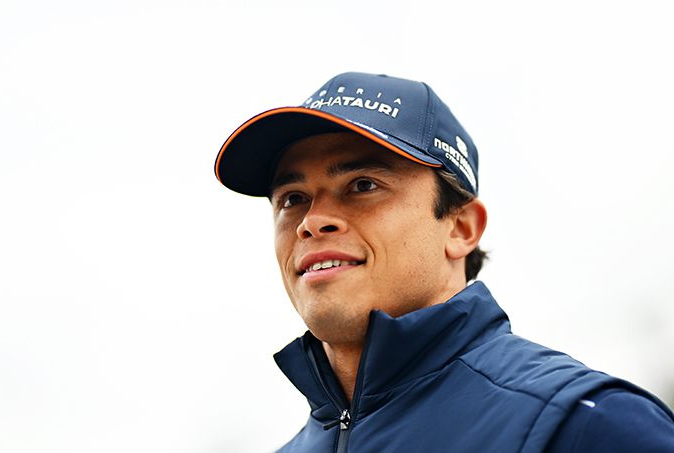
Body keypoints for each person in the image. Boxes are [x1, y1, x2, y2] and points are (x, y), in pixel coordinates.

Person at [214, 72, 674, 452]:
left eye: (363, 185)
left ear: (461, 228)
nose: (311, 221)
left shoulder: (587, 425)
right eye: (292, 198)